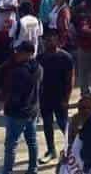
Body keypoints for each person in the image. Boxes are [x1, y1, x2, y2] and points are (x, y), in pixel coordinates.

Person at [0, 42, 41, 174]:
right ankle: (33, 169)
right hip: (33, 110)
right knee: (32, 141)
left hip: (17, 113)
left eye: (20, 52)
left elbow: (14, 95)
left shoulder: (18, 72)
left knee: (11, 145)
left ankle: (7, 171)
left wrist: (5, 99)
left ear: (29, 54)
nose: (17, 54)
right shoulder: (39, 68)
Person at [37, 30, 73, 164]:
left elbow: (70, 80)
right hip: (45, 98)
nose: (48, 42)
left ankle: (72, 150)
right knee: (47, 125)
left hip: (60, 98)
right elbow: (37, 80)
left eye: (51, 39)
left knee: (64, 125)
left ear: (57, 40)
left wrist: (66, 99)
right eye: (46, 39)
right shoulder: (40, 58)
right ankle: (51, 150)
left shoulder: (65, 57)